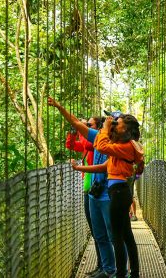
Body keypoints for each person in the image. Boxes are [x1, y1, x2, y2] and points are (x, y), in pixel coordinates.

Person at [47, 97, 116, 278]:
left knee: (112, 235)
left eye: (111, 121)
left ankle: (115, 271)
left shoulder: (116, 144)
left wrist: (80, 168)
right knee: (99, 234)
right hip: (94, 193)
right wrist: (60, 107)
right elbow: (76, 128)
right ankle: (106, 269)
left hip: (109, 194)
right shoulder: (98, 137)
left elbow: (104, 165)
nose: (107, 122)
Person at [94, 114, 143, 278]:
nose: (115, 125)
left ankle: (121, 274)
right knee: (127, 235)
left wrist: (106, 128)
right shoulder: (128, 145)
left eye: (119, 124)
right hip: (122, 192)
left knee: (117, 236)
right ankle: (134, 273)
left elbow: (101, 147)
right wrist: (106, 129)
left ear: (127, 130)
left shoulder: (126, 147)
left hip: (119, 192)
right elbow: (98, 144)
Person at [65, 117, 104, 275]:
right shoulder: (87, 145)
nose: (86, 127)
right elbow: (71, 145)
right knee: (95, 231)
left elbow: (88, 143)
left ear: (97, 128)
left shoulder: (97, 142)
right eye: (86, 125)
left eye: (89, 125)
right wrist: (74, 131)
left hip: (96, 190)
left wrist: (80, 127)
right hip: (88, 189)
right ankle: (101, 265)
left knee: (99, 231)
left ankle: (105, 266)